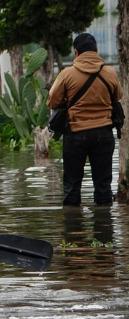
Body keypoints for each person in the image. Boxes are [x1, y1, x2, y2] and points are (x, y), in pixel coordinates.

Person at [47, 33, 122, 206]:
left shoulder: (67, 74)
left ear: (76, 52)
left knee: (72, 186)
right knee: (103, 187)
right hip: (104, 134)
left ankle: (73, 228)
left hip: (75, 134)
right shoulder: (110, 73)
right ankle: (104, 228)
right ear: (96, 50)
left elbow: (52, 102)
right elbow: (117, 96)